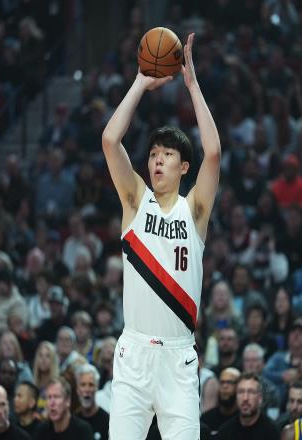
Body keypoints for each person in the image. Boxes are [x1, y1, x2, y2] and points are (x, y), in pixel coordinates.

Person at [102, 33, 221, 440]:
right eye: (153, 154)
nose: (157, 160)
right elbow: (110, 140)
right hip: (133, 354)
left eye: (167, 155)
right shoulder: (135, 201)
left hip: (178, 357)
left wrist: (193, 86)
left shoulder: (195, 210)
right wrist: (140, 81)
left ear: (184, 167)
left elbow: (214, 153)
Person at [215, 372, 280, 439]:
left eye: (251, 392)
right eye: (241, 392)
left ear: (260, 398)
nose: (245, 398)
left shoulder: (272, 431)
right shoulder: (225, 431)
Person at [201, 367, 241, 436]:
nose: (225, 386)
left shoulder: (243, 420)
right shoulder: (206, 419)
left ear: (239, 387)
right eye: (222, 382)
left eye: (229, 382)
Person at [75, 363, 109, 440]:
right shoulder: (73, 421)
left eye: (91, 385)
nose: (87, 389)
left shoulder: (107, 421)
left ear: (97, 388)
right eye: (83, 385)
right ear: (77, 389)